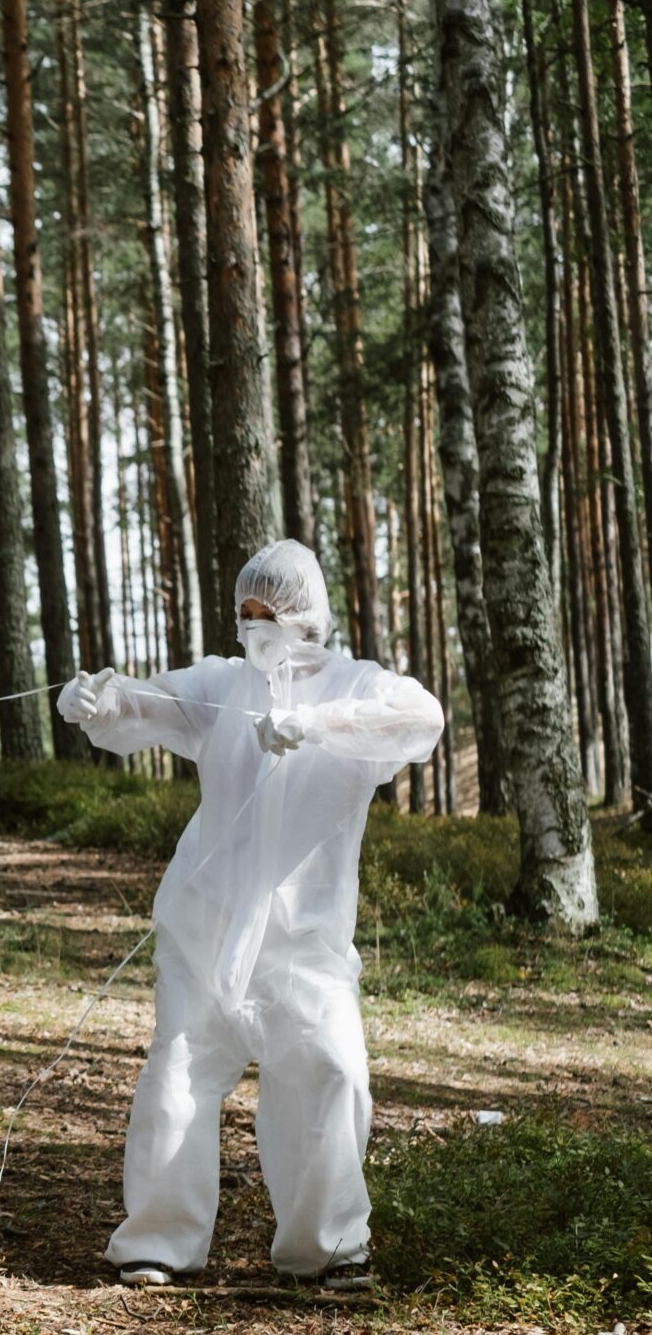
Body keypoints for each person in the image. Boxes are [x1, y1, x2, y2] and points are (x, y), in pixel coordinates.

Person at [57, 540, 443, 1292]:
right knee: (178, 1072)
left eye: (269, 610)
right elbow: (147, 704)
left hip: (305, 940)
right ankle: (157, 1243)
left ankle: (326, 1248)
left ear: (305, 613)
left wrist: (317, 725)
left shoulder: (357, 683)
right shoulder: (223, 685)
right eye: (245, 611)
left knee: (329, 1071)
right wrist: (101, 701)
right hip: (205, 926)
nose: (254, 624)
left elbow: (419, 718)